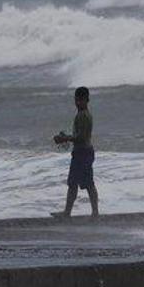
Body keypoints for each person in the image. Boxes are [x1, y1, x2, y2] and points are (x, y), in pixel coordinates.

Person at [52, 86, 99, 217]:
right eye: (76, 100)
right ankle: (70, 212)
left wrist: (64, 138)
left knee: (87, 183)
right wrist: (67, 137)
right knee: (74, 183)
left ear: (87, 100)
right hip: (82, 152)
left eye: (81, 100)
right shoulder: (83, 114)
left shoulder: (83, 116)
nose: (78, 102)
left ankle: (93, 212)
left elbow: (81, 137)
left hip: (83, 153)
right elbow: (79, 135)